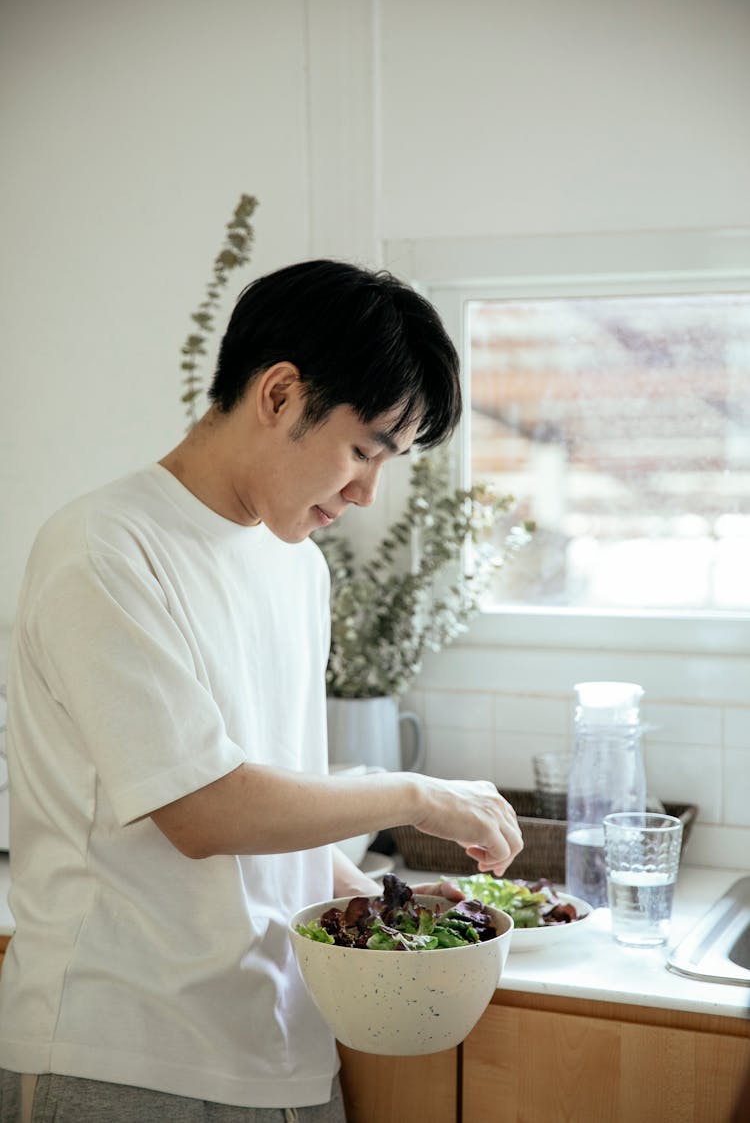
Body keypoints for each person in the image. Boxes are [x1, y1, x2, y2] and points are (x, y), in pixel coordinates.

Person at [0, 259, 523, 1123]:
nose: (366, 491)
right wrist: (417, 795)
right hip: (121, 1056)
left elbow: (274, 804)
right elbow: (206, 812)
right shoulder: (104, 548)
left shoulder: (297, 569)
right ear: (280, 393)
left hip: (284, 1051)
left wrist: (374, 901)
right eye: (363, 449)